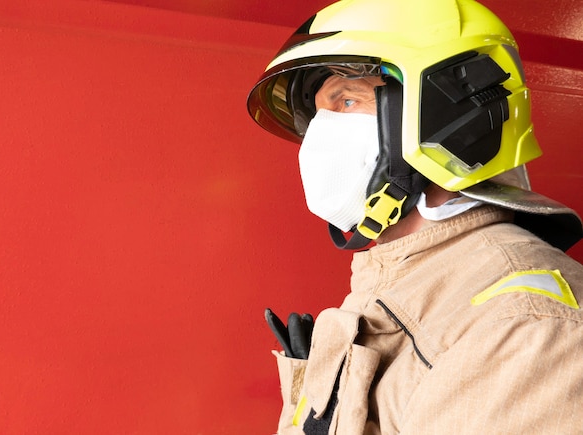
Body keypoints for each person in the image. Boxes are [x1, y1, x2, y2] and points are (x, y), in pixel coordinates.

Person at [247, 0, 583, 433]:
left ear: (446, 114)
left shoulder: (524, 328)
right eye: (317, 117)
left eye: (347, 101)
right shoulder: (403, 278)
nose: (319, 139)